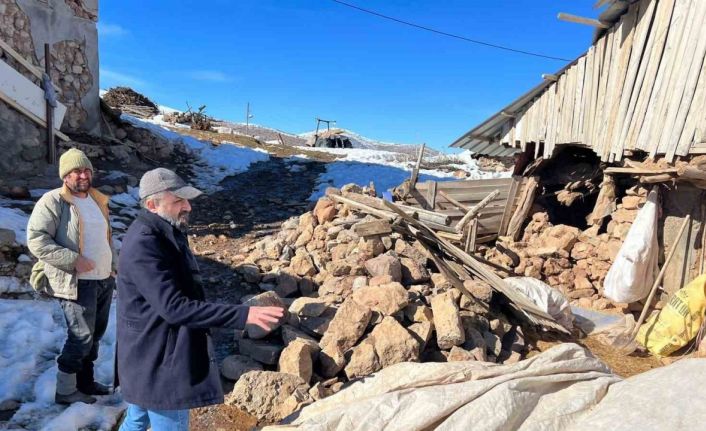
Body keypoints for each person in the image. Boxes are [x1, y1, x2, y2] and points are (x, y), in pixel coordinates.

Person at [117, 168, 283, 431]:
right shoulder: (145, 244)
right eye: (179, 201)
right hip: (159, 359)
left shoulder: (164, 229)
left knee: (137, 419)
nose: (188, 206)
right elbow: (173, 308)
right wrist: (243, 315)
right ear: (152, 204)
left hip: (146, 355)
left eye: (187, 199)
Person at [27, 148, 116, 405]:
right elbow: (37, 240)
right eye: (77, 171)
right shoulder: (53, 201)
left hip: (103, 279)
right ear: (65, 175)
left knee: (95, 335)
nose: (83, 175)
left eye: (86, 170)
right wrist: (74, 260)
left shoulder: (98, 200)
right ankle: (65, 391)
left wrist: (114, 264)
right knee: (80, 336)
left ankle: (85, 383)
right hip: (75, 281)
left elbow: (105, 238)